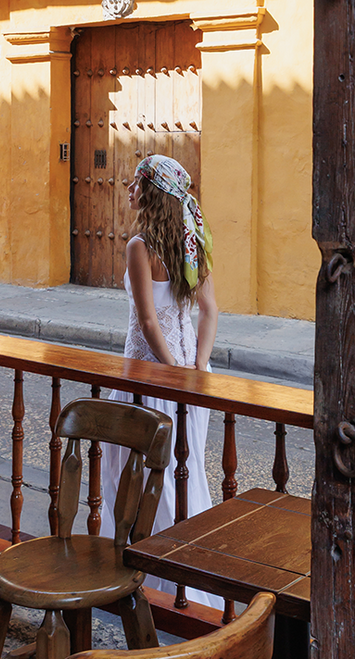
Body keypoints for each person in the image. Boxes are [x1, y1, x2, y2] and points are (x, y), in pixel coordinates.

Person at [100, 154, 221, 608]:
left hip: (150, 375)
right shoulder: (193, 243)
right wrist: (196, 368)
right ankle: (187, 580)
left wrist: (171, 374)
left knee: (131, 469)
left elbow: (149, 323)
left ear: (151, 193)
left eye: (135, 184)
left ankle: (154, 574)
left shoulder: (139, 246)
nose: (128, 190)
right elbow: (209, 312)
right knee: (183, 473)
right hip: (188, 373)